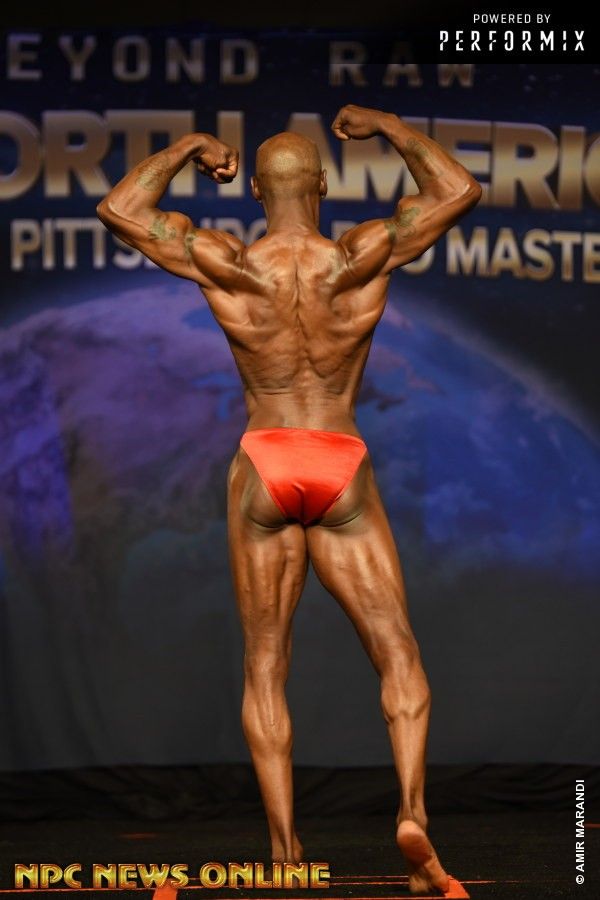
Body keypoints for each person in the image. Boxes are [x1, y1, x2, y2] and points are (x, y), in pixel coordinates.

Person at [97, 103, 482, 896]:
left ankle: (283, 855)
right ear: (323, 185)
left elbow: (120, 209)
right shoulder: (360, 255)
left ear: (256, 192)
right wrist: (388, 125)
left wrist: (190, 145)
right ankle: (413, 817)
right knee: (398, 653)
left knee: (267, 664)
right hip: (339, 458)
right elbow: (458, 191)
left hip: (265, 459)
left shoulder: (228, 260)